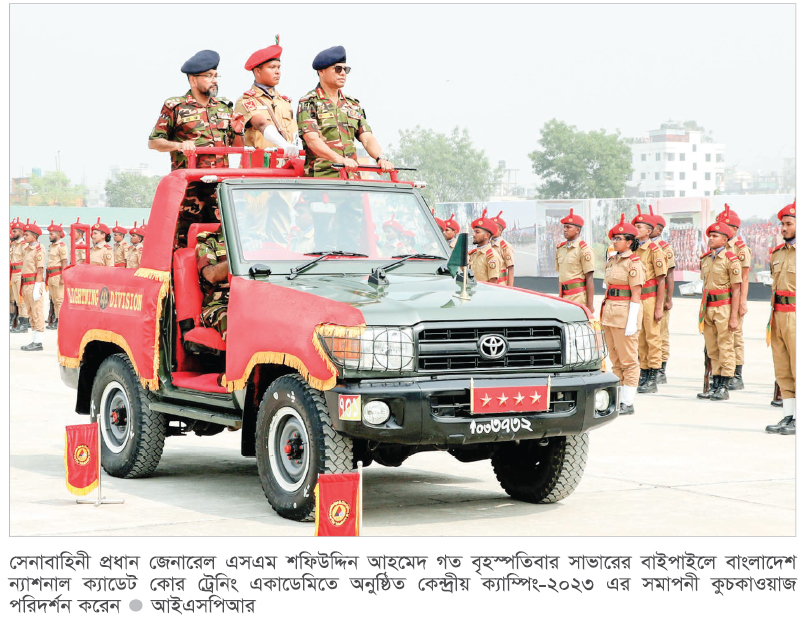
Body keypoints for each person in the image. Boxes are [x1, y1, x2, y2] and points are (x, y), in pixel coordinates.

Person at [148, 49, 245, 247]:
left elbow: (237, 148)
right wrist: (179, 145)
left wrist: (238, 132)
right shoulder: (175, 106)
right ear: (193, 80)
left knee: (223, 240)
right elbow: (154, 141)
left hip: (219, 187)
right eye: (209, 76)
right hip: (191, 189)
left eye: (216, 76)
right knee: (186, 241)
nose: (214, 80)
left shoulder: (224, 106)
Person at [297, 45, 394, 178]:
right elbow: (312, 140)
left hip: (351, 180)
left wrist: (381, 158)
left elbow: (367, 137)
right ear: (321, 71)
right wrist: (340, 160)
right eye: (337, 69)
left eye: (345, 69)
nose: (343, 73)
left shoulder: (352, 104)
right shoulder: (309, 102)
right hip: (322, 179)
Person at [601, 214, 646, 415]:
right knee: (615, 358)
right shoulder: (613, 260)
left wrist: (632, 321)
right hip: (610, 313)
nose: (615, 241)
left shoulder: (634, 263)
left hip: (624, 314)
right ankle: (618, 399)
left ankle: (627, 401)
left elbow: (636, 294)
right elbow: (607, 285)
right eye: (614, 238)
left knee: (628, 360)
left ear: (629, 242)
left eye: (619, 239)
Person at [696, 221, 742, 401]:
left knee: (726, 346)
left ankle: (724, 385)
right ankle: (715, 382)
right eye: (710, 235)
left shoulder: (731, 260)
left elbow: (736, 289)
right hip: (708, 307)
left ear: (724, 239)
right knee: (712, 348)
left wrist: (734, 316)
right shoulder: (706, 258)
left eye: (715, 236)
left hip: (724, 307)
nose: (711, 239)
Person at [235, 38, 299, 158]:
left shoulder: (284, 102)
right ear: (258, 71)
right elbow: (261, 123)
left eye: (279, 67)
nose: (277, 72)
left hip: (284, 168)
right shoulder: (246, 101)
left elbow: (294, 135)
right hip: (258, 169)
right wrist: (284, 145)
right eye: (272, 67)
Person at [766, 200, 795, 435]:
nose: (783, 228)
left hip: (796, 316)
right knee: (783, 369)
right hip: (778, 314)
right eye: (782, 224)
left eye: (788, 224)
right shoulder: (778, 253)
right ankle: (789, 414)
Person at [715, 205, 751, 390]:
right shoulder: (717, 246)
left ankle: (737, 374)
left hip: (734, 298)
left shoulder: (740, 249)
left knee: (735, 337)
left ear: (734, 229)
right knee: (717, 340)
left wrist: (742, 303)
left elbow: (744, 278)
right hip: (719, 300)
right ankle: (719, 373)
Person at [632, 206, 667, 393]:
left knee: (653, 337)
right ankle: (643, 373)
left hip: (651, 298)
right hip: (637, 299)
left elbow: (661, 279)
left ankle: (653, 376)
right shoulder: (633, 250)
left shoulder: (655, 250)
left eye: (640, 227)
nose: (636, 229)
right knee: (640, 338)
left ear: (649, 231)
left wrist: (659, 306)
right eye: (635, 226)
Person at [649, 205, 675, 384]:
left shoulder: (664, 248)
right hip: (645, 296)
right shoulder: (641, 246)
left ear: (659, 229)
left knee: (661, 332)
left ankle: (660, 369)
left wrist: (668, 299)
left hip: (660, 294)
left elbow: (669, 276)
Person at [196, 205, 229, 340]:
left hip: (254, 301)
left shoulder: (258, 242)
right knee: (232, 321)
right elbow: (211, 275)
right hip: (221, 304)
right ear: (218, 214)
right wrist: (239, 257)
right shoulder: (208, 242)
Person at [555, 208, 594, 313]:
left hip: (578, 297)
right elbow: (561, 275)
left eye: (568, 227)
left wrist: (590, 306)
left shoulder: (584, 250)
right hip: (563, 296)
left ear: (577, 230)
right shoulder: (560, 249)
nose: (565, 230)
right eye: (564, 227)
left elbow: (589, 279)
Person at [19, 221, 45, 351]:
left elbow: (40, 270)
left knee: (37, 312)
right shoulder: (27, 249)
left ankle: (38, 342)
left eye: (26, 235)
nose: (24, 237)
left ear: (34, 236)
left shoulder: (39, 249)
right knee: (30, 312)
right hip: (26, 284)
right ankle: (34, 340)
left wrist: (37, 287)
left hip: (34, 283)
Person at [45, 221, 68, 330]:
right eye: (49, 234)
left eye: (51, 234)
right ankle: (56, 319)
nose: (50, 236)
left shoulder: (61, 246)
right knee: (53, 299)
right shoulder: (52, 246)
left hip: (58, 275)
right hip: (51, 275)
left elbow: (64, 262)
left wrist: (63, 278)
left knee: (59, 300)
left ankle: (60, 320)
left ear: (58, 235)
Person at [468, 212, 503, 283]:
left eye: (477, 232)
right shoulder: (473, 254)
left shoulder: (491, 256)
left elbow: (493, 283)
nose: (473, 235)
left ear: (486, 235)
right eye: (474, 232)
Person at [10, 218, 29, 333]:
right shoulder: (15, 245)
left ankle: (24, 324)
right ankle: (21, 323)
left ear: (21, 233)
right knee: (18, 300)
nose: (13, 233)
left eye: (15, 231)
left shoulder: (23, 244)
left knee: (22, 300)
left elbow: (27, 260)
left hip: (20, 273)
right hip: (14, 273)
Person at [491, 211, 516, 287]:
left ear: (500, 230)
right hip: (488, 283)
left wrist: (510, 288)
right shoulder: (488, 244)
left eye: (494, 228)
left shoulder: (505, 246)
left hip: (500, 285)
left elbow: (510, 268)